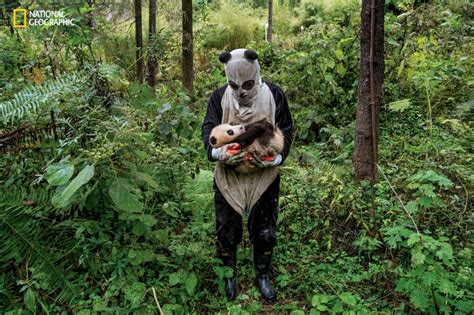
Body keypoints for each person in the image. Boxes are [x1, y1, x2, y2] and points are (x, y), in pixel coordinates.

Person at [201, 48, 293, 302]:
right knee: (226, 232)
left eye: (247, 84)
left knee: (265, 232)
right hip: (228, 178)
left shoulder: (274, 95)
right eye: (234, 85)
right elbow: (208, 129)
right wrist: (218, 154)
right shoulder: (219, 97)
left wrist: (277, 157)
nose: (240, 91)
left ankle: (262, 275)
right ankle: (229, 275)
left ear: (256, 72)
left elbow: (286, 128)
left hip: (264, 178)